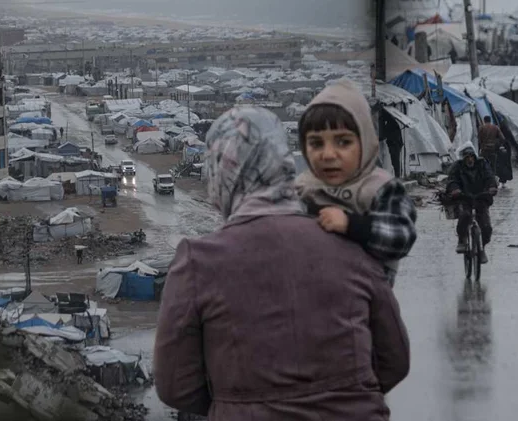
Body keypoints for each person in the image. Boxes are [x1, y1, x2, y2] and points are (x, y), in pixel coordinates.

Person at [154, 106, 410, 420]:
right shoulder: (351, 243)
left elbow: (175, 386)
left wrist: (236, 404)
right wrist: (347, 395)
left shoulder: (197, 262)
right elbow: (395, 360)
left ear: (222, 170)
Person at [295, 80, 417, 287]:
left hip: (366, 298)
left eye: (343, 142)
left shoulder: (381, 188)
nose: (328, 154)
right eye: (316, 143)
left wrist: (351, 225)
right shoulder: (302, 188)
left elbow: (400, 237)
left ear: (365, 143)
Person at [446, 144, 498, 264]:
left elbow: (490, 176)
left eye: (471, 156)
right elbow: (452, 180)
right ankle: (461, 239)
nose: (470, 159)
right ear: (463, 158)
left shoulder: (482, 164)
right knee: (465, 215)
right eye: (467, 157)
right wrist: (455, 189)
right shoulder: (457, 167)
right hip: (464, 197)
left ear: (475, 157)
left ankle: (482, 248)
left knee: (486, 226)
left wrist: (491, 187)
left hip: (481, 197)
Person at [379, 108, 405, 178]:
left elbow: (383, 135)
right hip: (396, 144)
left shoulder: (390, 124)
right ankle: (397, 175)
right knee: (396, 161)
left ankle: (397, 176)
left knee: (395, 161)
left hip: (394, 145)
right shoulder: (393, 123)